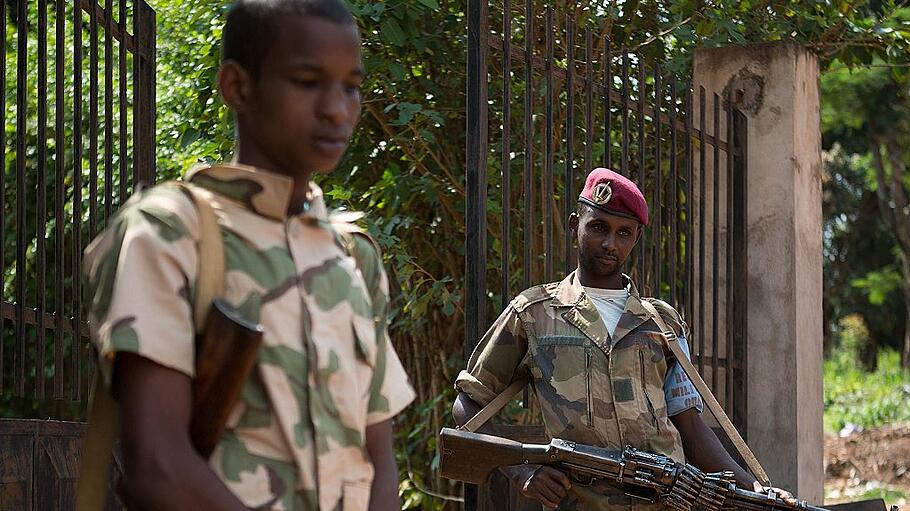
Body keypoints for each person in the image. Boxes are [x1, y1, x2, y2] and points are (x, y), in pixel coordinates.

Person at [82, 1, 415, 509]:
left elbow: (379, 462)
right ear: (237, 87)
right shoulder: (173, 232)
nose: (336, 108)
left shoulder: (353, 255)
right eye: (307, 81)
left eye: (351, 86)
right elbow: (156, 464)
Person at [453, 168, 792, 510]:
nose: (609, 243)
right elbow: (468, 404)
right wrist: (519, 470)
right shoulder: (534, 313)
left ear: (636, 238)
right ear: (575, 225)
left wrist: (756, 490)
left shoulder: (663, 322)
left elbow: (690, 425)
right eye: (598, 227)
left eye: (623, 233)